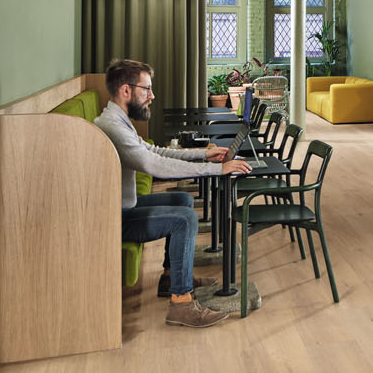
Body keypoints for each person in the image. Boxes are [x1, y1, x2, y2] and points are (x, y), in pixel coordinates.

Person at [94, 58, 253, 327]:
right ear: (126, 90)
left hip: (122, 205)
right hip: (113, 217)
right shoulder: (112, 126)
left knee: (183, 199)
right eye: (147, 89)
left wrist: (203, 154)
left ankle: (172, 278)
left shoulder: (117, 119)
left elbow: (153, 151)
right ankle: (181, 303)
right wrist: (217, 169)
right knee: (185, 219)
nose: (152, 96)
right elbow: (154, 165)